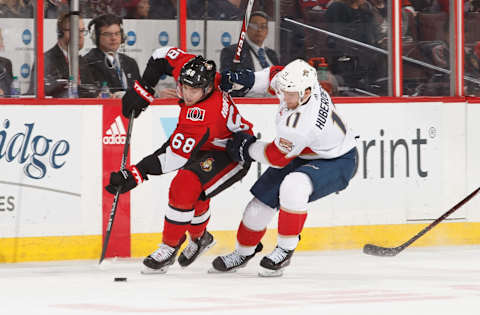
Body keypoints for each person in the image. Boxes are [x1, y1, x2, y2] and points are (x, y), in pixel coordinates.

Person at [105, 46, 254, 274]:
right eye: (184, 87)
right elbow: (161, 55)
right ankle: (200, 238)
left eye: (194, 91)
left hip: (232, 152)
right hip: (205, 144)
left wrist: (136, 174)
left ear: (207, 88)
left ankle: (169, 247)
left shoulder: (202, 113)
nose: (186, 94)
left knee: (185, 185)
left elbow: (173, 156)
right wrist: (144, 88)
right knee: (195, 189)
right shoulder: (192, 68)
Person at [211, 59, 358, 276]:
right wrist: (245, 80)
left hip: (338, 160)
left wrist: (247, 147)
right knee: (256, 209)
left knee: (294, 186)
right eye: (285, 92)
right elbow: (273, 76)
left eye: (291, 94)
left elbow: (276, 157)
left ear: (307, 92)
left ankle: (285, 249)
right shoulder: (300, 83)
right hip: (303, 154)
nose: (285, 97)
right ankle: (243, 253)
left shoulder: (301, 124)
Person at [39, 12, 97, 98]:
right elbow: (46, 91)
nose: (80, 36)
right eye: (75, 31)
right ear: (60, 33)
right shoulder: (46, 59)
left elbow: (91, 90)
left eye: (82, 31)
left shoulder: (81, 60)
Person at [84, 14, 141, 96]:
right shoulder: (89, 62)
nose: (113, 38)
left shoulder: (130, 63)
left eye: (117, 33)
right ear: (96, 37)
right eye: (107, 34)